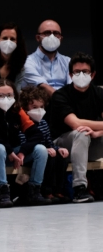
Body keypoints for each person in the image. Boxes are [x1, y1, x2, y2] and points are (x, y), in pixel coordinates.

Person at [0, 79, 51, 207]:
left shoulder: (17, 111)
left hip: (16, 153)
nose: (5, 99)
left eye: (9, 95)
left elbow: (36, 133)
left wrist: (23, 152)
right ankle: (2, 191)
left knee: (41, 149)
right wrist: (10, 151)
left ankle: (34, 190)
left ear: (14, 96)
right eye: (1, 95)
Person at [50, 52, 103, 203]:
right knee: (81, 133)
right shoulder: (60, 95)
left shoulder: (99, 93)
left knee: (86, 133)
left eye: (85, 72)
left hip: (93, 140)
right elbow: (76, 124)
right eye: (77, 72)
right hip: (63, 143)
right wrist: (91, 131)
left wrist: (97, 133)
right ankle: (80, 189)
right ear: (70, 75)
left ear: (92, 75)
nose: (80, 75)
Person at [19, 86, 70, 203]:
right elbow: (23, 143)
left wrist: (58, 148)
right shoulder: (21, 123)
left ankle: (58, 190)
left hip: (44, 151)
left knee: (60, 156)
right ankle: (46, 191)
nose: (39, 110)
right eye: (34, 107)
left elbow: (49, 142)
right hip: (30, 154)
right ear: (25, 108)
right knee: (48, 157)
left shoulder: (43, 123)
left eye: (41, 107)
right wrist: (45, 150)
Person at [19, 19, 71, 95]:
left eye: (56, 33)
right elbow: (43, 87)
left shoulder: (68, 61)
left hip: (66, 103)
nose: (52, 36)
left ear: (61, 39)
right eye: (47, 33)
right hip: (41, 104)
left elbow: (73, 87)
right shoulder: (27, 62)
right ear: (38, 38)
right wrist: (63, 101)